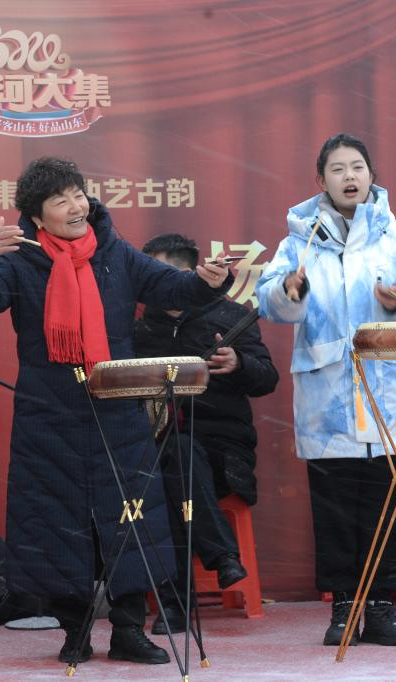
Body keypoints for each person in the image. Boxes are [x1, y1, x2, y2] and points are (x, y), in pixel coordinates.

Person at [0, 157, 233, 666]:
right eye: (59, 200)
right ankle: (75, 629)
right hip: (48, 412)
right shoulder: (21, 259)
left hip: (117, 407)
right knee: (56, 521)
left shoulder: (114, 252)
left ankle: (129, 630)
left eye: (77, 194)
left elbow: (173, 290)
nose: (75, 206)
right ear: (37, 217)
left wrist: (208, 281)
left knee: (131, 518)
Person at [255, 133, 396, 647]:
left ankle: (384, 607)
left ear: (371, 175)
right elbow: (268, 300)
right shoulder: (299, 240)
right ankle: (344, 605)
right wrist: (290, 290)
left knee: (389, 506)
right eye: (338, 169)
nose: (349, 177)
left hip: (392, 396)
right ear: (320, 180)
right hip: (328, 400)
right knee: (335, 507)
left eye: (357, 168)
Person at [134, 233, 279, 634]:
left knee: (178, 462)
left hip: (223, 453)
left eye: (167, 275)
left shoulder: (229, 316)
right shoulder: (140, 327)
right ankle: (222, 556)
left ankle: (175, 605)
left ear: (191, 274)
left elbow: (267, 379)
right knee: (173, 462)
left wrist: (239, 363)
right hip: (156, 450)